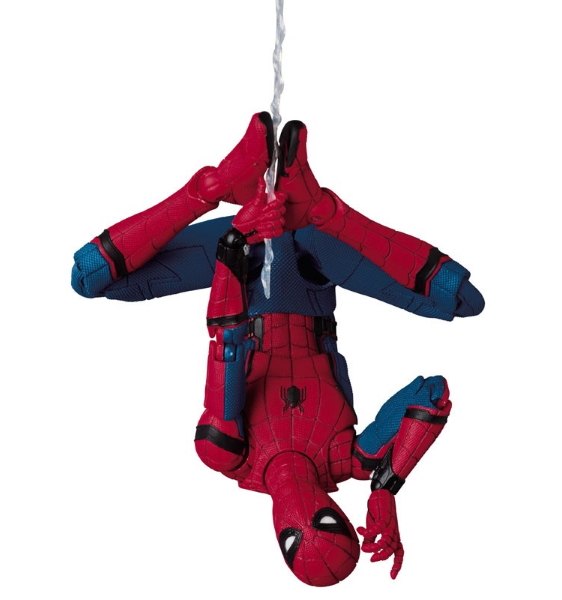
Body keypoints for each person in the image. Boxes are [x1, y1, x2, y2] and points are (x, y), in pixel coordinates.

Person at [71, 113, 484, 586]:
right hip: (314, 259)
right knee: (459, 299)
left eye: (293, 539)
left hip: (242, 265)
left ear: (278, 536)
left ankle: (216, 184)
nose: (304, 516)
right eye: (328, 523)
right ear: (342, 517)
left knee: (90, 277)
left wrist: (236, 240)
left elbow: (226, 342)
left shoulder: (229, 454)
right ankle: (322, 207)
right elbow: (429, 396)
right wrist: (387, 485)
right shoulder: (348, 459)